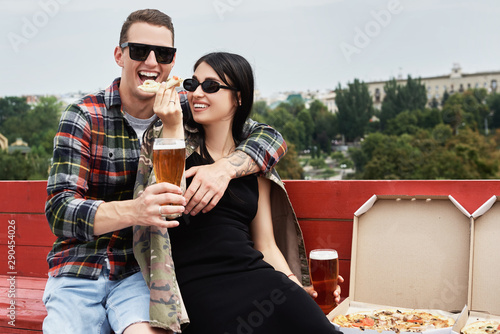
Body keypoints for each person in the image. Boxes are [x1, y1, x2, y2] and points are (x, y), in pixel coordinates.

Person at [43, 9, 288, 334]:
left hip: (143, 271)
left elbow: (269, 137)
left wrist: (224, 170)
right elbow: (60, 211)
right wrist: (136, 210)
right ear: (120, 55)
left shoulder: (188, 111)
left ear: (173, 61)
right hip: (80, 268)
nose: (152, 62)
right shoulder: (84, 116)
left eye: (164, 53)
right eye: (140, 51)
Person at [133, 52, 343, 333]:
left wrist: (294, 283)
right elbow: (163, 207)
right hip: (196, 289)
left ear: (239, 97)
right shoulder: (171, 141)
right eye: (192, 83)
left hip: (261, 280)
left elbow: (266, 245)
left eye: (211, 86)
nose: (197, 93)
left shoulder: (253, 164)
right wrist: (171, 127)